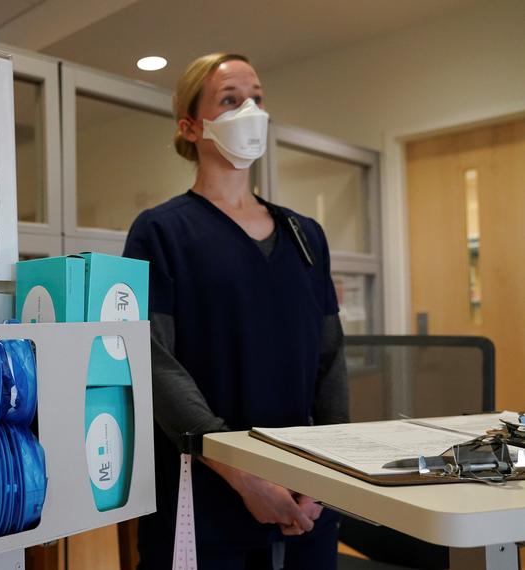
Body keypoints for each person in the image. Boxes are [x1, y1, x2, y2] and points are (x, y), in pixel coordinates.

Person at [123, 53, 348, 569]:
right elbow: (154, 362)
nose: (250, 109)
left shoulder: (304, 235)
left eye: (257, 98)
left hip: (305, 500)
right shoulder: (161, 232)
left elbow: (330, 360)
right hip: (205, 499)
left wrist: (325, 478)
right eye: (230, 99)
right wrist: (244, 475)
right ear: (190, 126)